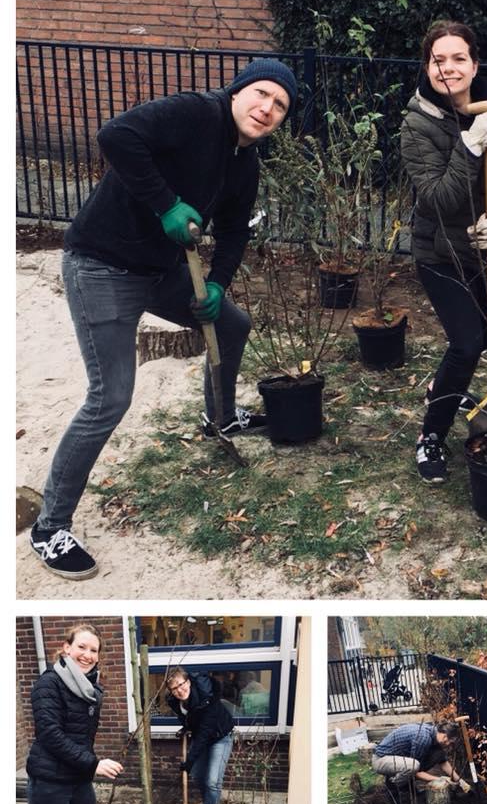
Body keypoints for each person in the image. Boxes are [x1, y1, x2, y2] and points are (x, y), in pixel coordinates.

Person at [29, 58, 297, 580]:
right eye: (261, 94)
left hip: (159, 271)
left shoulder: (245, 162)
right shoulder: (196, 113)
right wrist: (167, 205)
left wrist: (218, 283)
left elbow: (236, 230)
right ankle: (49, 527)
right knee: (110, 397)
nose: (267, 108)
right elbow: (116, 135)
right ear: (239, 92)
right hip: (101, 264)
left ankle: (218, 417)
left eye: (280, 106)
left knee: (233, 324)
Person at [401, 20, 487, 483]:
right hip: (441, 253)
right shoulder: (417, 124)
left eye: (458, 57)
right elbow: (438, 199)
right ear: (428, 66)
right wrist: (468, 145)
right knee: (465, 345)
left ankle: (440, 388)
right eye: (438, 59)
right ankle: (430, 439)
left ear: (474, 63)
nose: (449, 67)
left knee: (484, 339)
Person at [26, 623, 125, 804]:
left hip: (79, 779)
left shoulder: (92, 689)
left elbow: (81, 737)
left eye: (93, 650)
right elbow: (51, 735)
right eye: (81, 647)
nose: (87, 654)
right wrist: (94, 763)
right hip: (48, 782)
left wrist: (87, 765)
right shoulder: (49, 684)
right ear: (67, 648)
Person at [166, 667, 235, 804]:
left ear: (188, 681)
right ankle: (207, 801)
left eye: (181, 685)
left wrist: (189, 760)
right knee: (197, 774)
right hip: (202, 736)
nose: (179, 691)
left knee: (212, 781)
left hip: (220, 737)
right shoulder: (175, 701)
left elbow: (204, 731)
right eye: (174, 688)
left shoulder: (206, 698)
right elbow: (191, 718)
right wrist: (186, 727)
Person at [372, 721, 470, 792]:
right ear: (444, 735)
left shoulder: (433, 732)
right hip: (381, 759)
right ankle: (394, 787)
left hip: (397, 759)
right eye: (449, 741)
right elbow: (416, 771)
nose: (448, 744)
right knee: (413, 766)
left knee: (438, 754)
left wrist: (460, 781)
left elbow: (443, 761)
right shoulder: (424, 738)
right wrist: (439, 779)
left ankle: (406, 783)